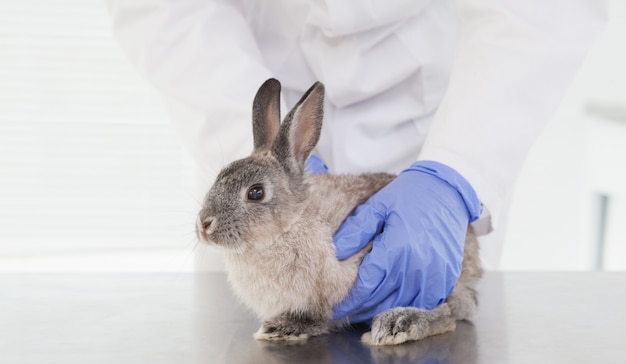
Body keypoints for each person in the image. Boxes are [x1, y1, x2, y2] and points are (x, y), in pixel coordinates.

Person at [105, 0, 605, 323]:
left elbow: (542, 13)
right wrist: (267, 166)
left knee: (433, 358)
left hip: (430, 123)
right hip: (254, 97)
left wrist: (458, 170)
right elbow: (163, 13)